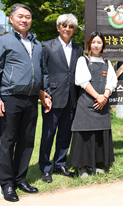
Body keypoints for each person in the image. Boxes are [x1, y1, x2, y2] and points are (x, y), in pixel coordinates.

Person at [0, 3, 52, 202]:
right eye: (20, 16)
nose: (24, 20)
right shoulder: (3, 41)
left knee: (27, 142)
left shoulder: (37, 44)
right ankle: (7, 184)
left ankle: (20, 178)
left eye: (28, 17)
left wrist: (44, 93)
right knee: (8, 142)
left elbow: (43, 72)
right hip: (10, 97)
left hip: (31, 99)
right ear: (11, 18)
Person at [38, 14, 83, 183]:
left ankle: (60, 164)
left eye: (71, 26)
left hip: (71, 98)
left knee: (65, 135)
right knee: (48, 135)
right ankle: (45, 167)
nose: (67, 29)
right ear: (58, 27)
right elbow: (42, 71)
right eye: (64, 25)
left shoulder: (79, 49)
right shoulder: (47, 46)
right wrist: (43, 93)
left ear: (74, 30)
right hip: (52, 97)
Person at [68, 31, 117, 178]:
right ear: (89, 44)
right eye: (93, 42)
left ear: (103, 46)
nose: (96, 45)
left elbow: (112, 82)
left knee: (99, 135)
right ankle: (82, 167)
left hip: (102, 105)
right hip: (87, 104)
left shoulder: (107, 63)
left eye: (99, 42)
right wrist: (98, 97)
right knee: (84, 135)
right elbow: (82, 81)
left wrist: (105, 97)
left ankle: (94, 165)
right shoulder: (83, 60)